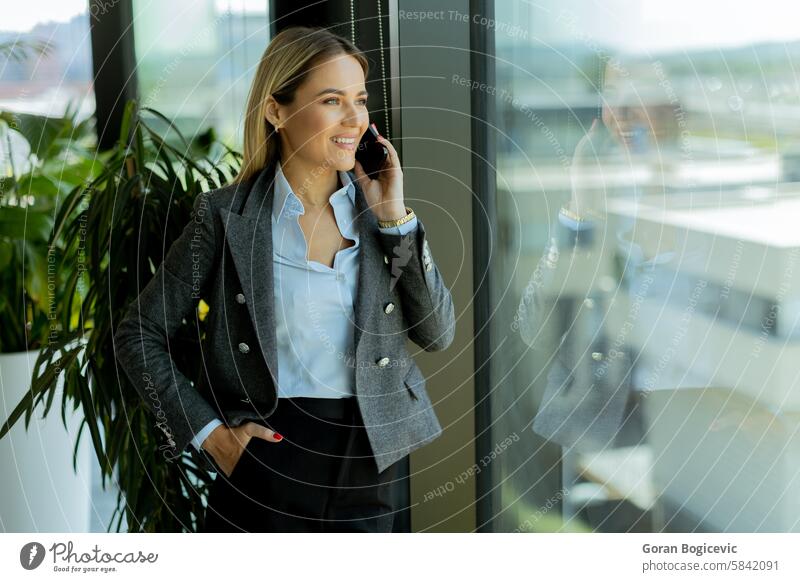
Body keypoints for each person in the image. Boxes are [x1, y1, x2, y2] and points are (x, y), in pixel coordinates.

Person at [113, 26, 456, 532]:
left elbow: (436, 332)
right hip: (267, 457)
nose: (354, 118)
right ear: (277, 110)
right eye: (332, 99)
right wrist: (211, 434)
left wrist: (395, 217)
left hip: (370, 463)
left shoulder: (382, 217)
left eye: (359, 100)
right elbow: (137, 333)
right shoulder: (226, 217)